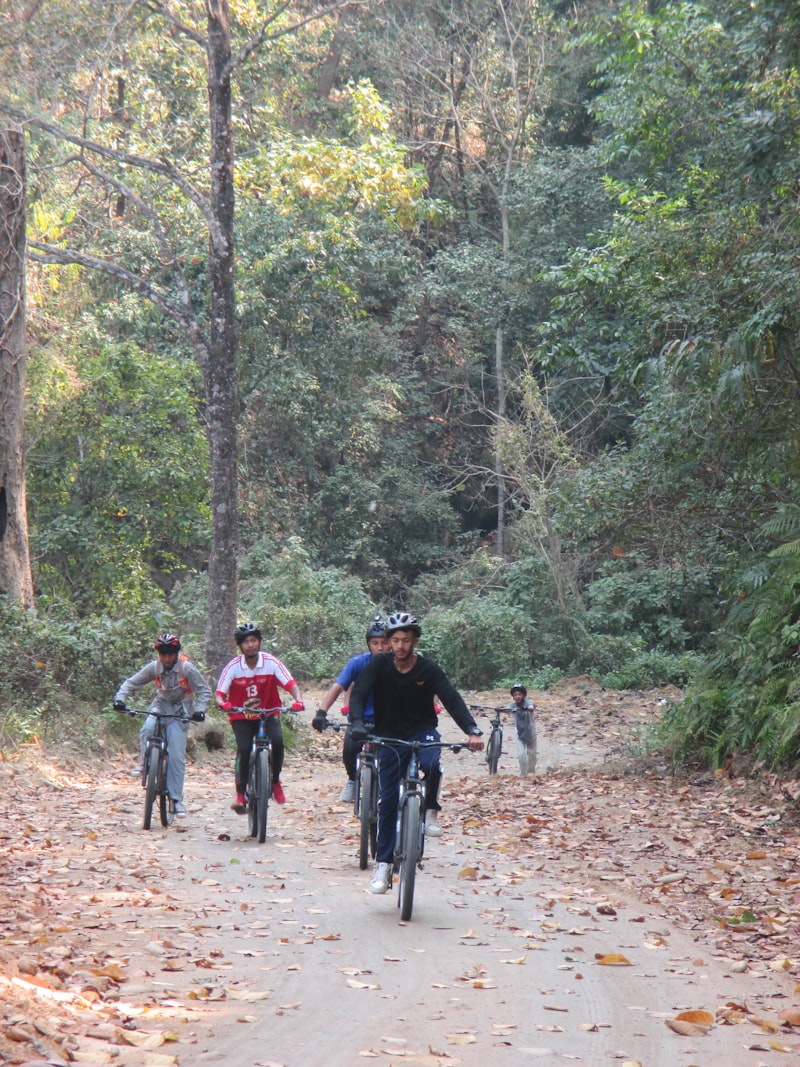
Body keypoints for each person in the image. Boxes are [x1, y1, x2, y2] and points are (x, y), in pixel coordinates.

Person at [348, 610, 483, 895]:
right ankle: (383, 865)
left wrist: (472, 730)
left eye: (406, 640)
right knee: (386, 802)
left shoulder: (428, 669)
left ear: (415, 642)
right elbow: (359, 694)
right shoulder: (378, 665)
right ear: (388, 641)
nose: (399, 646)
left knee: (433, 764)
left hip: (423, 732)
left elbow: (451, 698)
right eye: (395, 640)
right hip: (389, 736)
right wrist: (358, 723)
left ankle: (431, 811)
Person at [113, 632, 211, 818]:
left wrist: (200, 710)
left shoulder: (187, 669)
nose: (166, 658)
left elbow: (204, 691)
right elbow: (131, 683)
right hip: (161, 705)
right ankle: (144, 761)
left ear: (176, 653)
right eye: (162, 654)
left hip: (181, 710)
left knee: (176, 755)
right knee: (148, 727)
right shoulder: (155, 667)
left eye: (170, 654)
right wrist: (120, 699)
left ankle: (176, 800)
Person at [216, 622, 305, 812]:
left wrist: (298, 700)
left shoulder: (271, 663)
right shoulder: (233, 667)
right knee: (244, 748)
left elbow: (290, 683)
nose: (250, 645)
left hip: (268, 713)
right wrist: (223, 703)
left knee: (278, 741)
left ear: (260, 642)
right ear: (240, 645)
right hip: (241, 715)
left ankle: (275, 781)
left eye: (254, 640)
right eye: (246, 641)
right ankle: (241, 794)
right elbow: (219, 693)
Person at [312, 616, 389, 802]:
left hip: (389, 721)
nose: (380, 648)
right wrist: (321, 712)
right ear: (368, 644)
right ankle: (352, 780)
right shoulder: (358, 663)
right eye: (375, 643)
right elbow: (338, 687)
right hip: (361, 720)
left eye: (385, 643)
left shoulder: (399, 664)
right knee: (350, 747)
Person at [509, 683, 537, 776]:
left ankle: (531, 772)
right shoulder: (513, 706)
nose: (517, 696)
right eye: (515, 695)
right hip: (519, 732)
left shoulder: (528, 703)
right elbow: (507, 709)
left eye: (519, 694)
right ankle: (523, 774)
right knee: (521, 755)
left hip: (530, 732)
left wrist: (530, 708)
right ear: (513, 696)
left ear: (524, 695)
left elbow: (532, 706)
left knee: (532, 755)